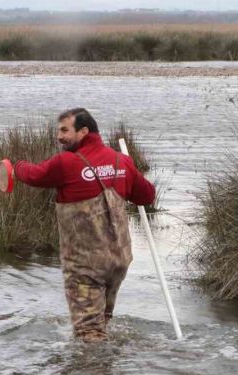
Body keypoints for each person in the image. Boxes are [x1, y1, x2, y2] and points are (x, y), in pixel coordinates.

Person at [10, 108, 155, 342]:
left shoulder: (66, 163)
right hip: (118, 262)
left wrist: (15, 167)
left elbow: (35, 175)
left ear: (84, 131)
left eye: (65, 130)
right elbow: (147, 196)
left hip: (86, 266)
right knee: (102, 323)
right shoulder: (122, 161)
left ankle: (89, 374)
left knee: (89, 334)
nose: (59, 136)